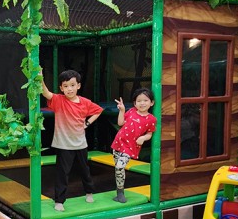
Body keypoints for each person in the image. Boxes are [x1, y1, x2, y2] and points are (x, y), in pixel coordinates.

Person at [41, 69, 103, 211]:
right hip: (63, 144)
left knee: (85, 170)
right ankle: (59, 201)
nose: (69, 89)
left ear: (78, 86)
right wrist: (41, 78)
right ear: (61, 88)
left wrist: (87, 123)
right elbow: (45, 93)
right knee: (62, 173)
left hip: (81, 143)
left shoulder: (85, 102)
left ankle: (89, 192)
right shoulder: (58, 100)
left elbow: (98, 110)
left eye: (72, 85)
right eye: (66, 86)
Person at [111, 87, 157, 203]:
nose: (142, 103)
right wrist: (122, 110)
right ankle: (120, 192)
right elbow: (120, 123)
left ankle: (120, 193)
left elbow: (150, 133)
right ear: (135, 103)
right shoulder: (131, 111)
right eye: (139, 101)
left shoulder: (151, 119)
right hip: (118, 142)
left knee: (119, 167)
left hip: (130, 147)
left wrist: (143, 138)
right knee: (118, 170)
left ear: (151, 103)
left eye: (145, 100)